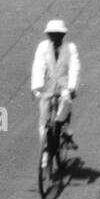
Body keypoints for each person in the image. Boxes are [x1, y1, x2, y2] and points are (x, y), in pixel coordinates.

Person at [31, 19, 81, 164]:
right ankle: (46, 148)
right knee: (44, 118)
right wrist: (36, 87)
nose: (55, 37)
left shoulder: (70, 48)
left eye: (58, 34)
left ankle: (61, 126)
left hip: (64, 84)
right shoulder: (42, 47)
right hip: (48, 85)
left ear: (63, 35)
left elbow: (74, 67)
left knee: (65, 102)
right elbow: (38, 66)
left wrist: (71, 87)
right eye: (52, 34)